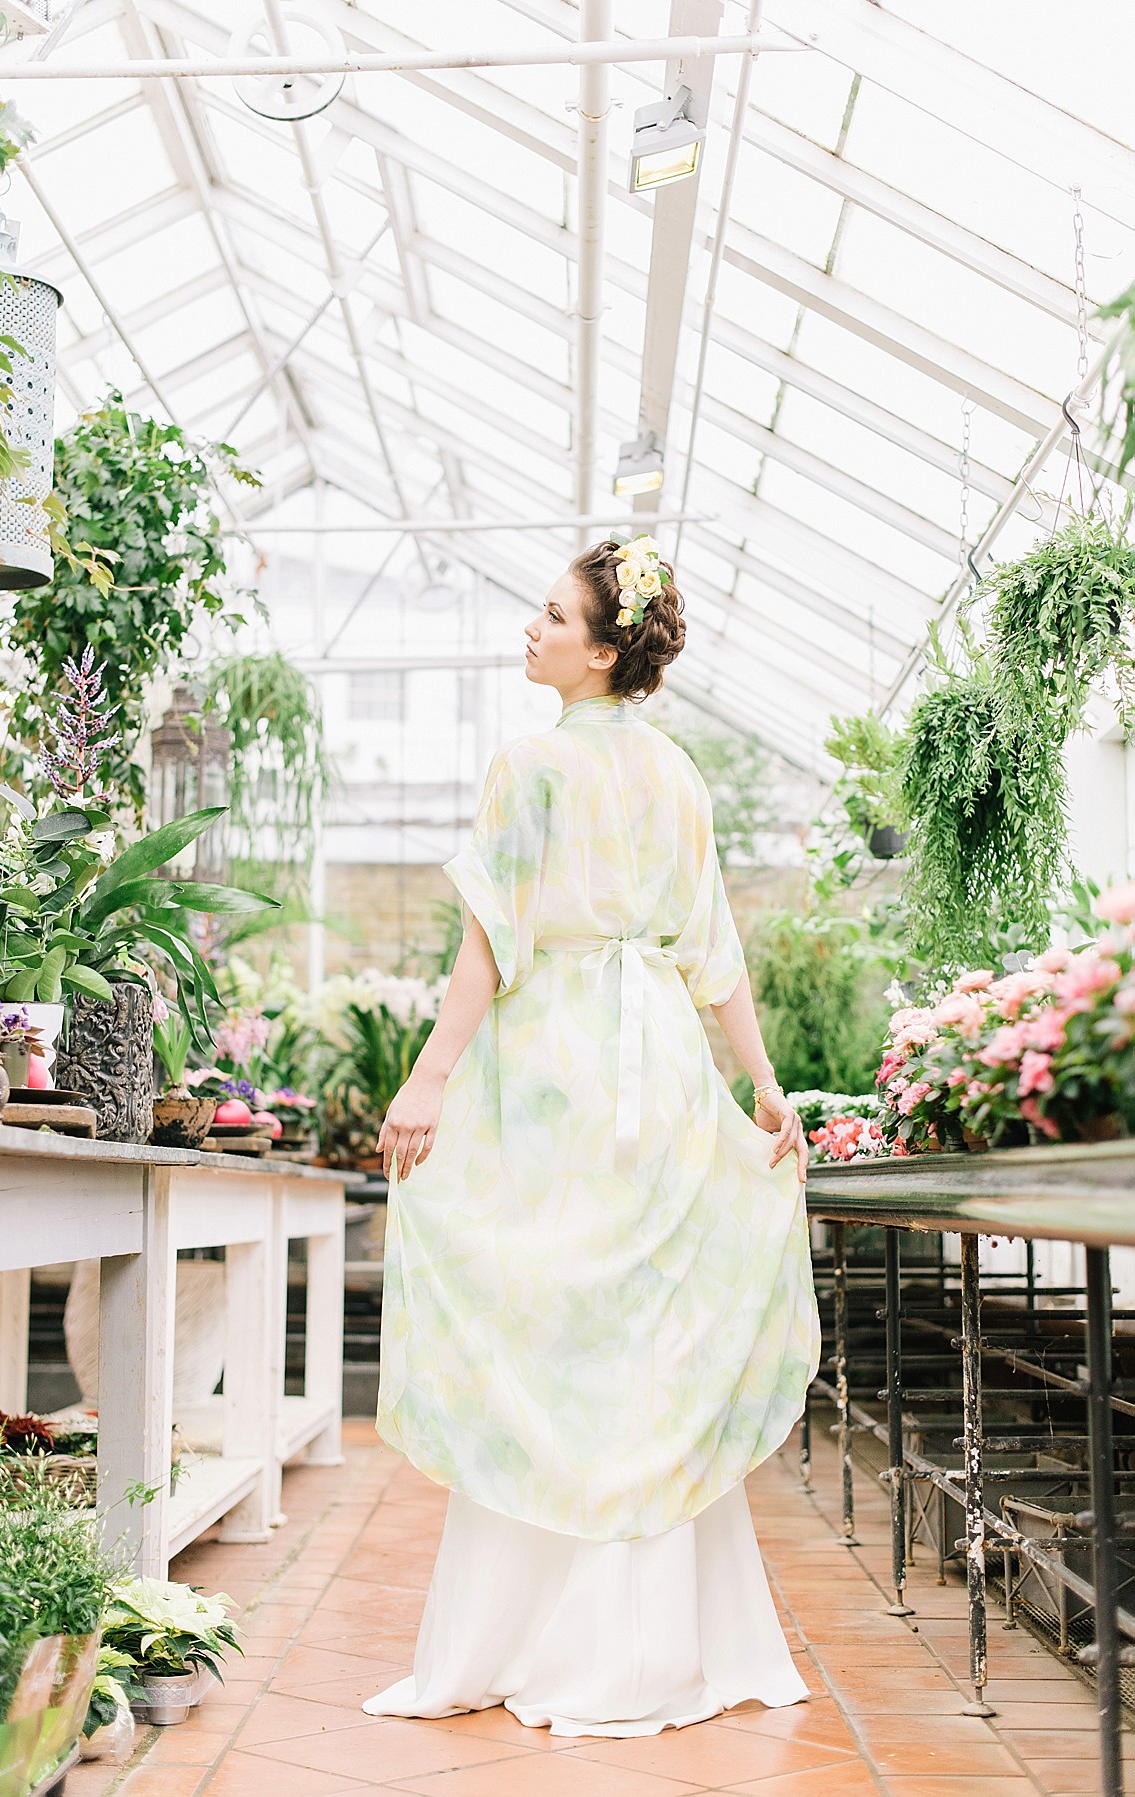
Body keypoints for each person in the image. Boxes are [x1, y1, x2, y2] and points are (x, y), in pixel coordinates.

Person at [362, 535, 821, 1738]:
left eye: (554, 617)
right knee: (645, 1342)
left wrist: (428, 1078)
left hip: (558, 1068)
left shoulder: (532, 766)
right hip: (658, 1067)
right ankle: (654, 1643)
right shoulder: (677, 775)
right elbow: (713, 950)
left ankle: (516, 1639)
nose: (532, 628)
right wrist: (763, 1089)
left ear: (606, 651)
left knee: (547, 1327)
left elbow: (488, 944)